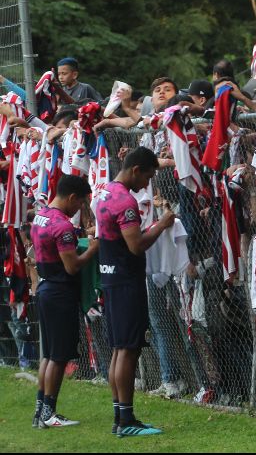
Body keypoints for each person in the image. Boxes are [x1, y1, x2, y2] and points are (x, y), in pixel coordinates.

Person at [95, 147, 176, 437]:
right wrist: (161, 224)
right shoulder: (125, 201)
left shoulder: (104, 191)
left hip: (110, 276)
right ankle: (126, 421)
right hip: (126, 279)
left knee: (120, 349)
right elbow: (136, 245)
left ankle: (120, 418)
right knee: (129, 350)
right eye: (147, 177)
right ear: (136, 170)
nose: (146, 184)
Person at [30, 175, 99, 429]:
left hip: (45, 288)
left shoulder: (41, 216)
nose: (79, 208)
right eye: (80, 203)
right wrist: (93, 249)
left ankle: (40, 412)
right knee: (58, 357)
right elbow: (72, 266)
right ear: (71, 197)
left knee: (48, 355)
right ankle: (49, 414)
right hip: (60, 293)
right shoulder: (62, 226)